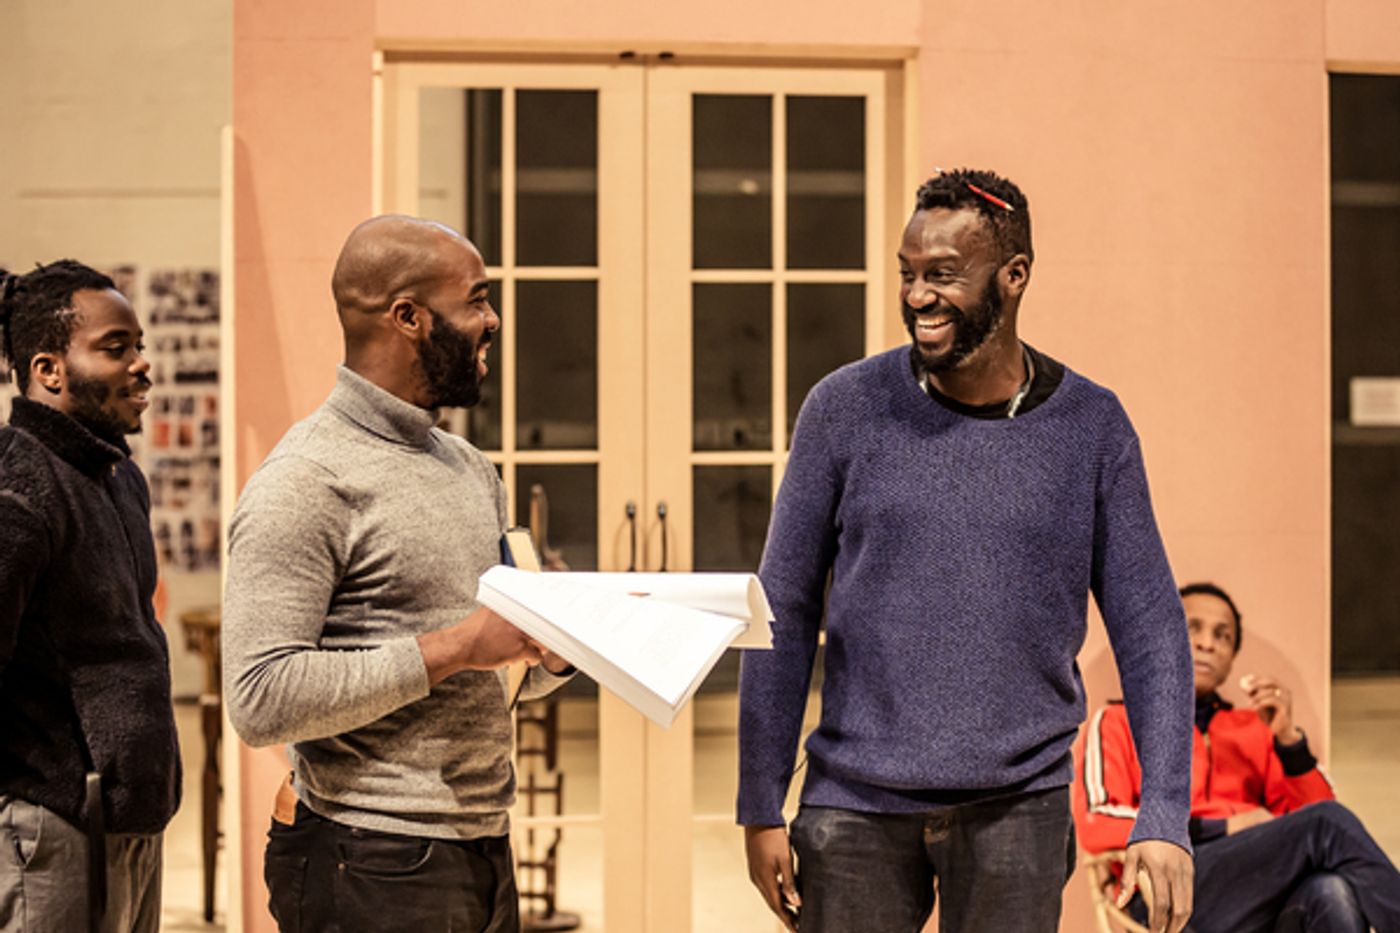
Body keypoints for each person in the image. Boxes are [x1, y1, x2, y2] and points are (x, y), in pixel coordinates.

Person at [737, 168, 1196, 933]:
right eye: (908, 273)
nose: (918, 295)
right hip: (853, 806)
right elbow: (779, 608)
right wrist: (759, 799)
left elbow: (1150, 625)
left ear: (1014, 277)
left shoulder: (1093, 426)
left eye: (944, 275)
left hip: (1019, 804)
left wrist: (1165, 810)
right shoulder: (843, 409)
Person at [222, 216, 574, 933]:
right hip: (369, 855)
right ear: (408, 317)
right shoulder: (306, 478)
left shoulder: (470, 467)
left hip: (483, 841)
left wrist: (558, 649)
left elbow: (499, 666)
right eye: (475, 299)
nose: (492, 319)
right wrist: (458, 646)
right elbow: (259, 700)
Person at [0, 261, 180, 933]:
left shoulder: (119, 476)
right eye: (116, 347)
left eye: (138, 345)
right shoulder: (18, 480)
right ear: (49, 369)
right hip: (50, 827)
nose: (142, 365)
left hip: (131, 819)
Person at [1076, 581, 1400, 932]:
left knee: (1330, 891)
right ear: (1164, 637)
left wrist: (1289, 743)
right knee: (1326, 823)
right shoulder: (1118, 721)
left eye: (1223, 636)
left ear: (1231, 660)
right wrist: (1223, 826)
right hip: (1165, 895)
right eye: (1192, 628)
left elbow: (1312, 821)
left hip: (1255, 898)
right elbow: (1097, 823)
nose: (1207, 643)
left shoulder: (1254, 728)